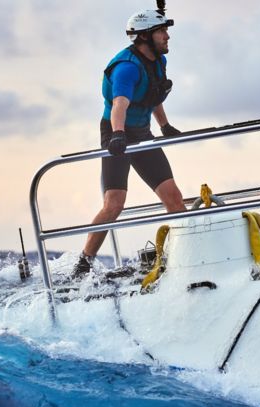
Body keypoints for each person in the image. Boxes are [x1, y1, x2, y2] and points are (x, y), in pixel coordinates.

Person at [71, 7, 186, 278]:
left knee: (174, 197)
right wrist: (119, 135)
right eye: (162, 31)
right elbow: (119, 106)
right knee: (114, 203)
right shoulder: (126, 67)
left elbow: (153, 94)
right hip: (115, 131)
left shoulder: (158, 60)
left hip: (142, 131)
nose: (167, 36)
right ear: (145, 37)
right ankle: (84, 263)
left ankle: (186, 256)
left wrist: (165, 126)